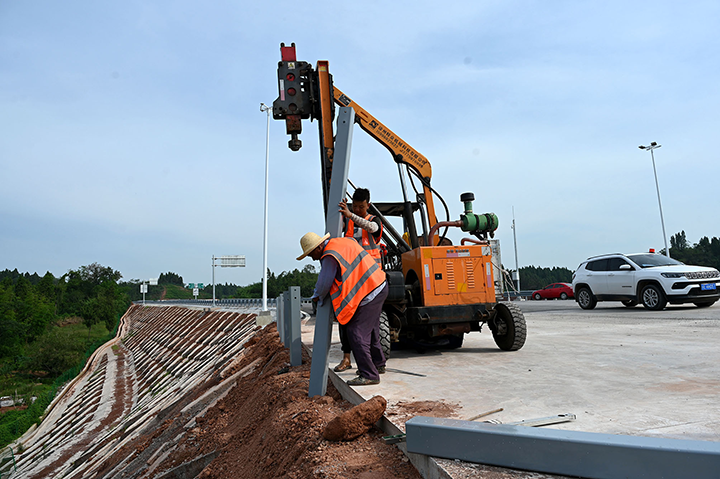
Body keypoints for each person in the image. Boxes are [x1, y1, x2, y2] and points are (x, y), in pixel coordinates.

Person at [298, 231, 388, 385]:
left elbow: (324, 284)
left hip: (368, 292)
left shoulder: (329, 255)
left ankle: (369, 374)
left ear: (319, 247)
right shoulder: (343, 242)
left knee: (356, 333)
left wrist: (316, 297)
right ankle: (378, 364)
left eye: (311, 253)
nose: (312, 258)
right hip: (379, 284)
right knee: (371, 330)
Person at [334, 187, 384, 372]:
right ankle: (347, 358)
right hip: (353, 280)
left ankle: (377, 363)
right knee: (344, 318)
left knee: (369, 324)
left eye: (361, 207)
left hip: (372, 281)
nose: (357, 210)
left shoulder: (373, 221)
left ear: (368, 205)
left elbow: (371, 228)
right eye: (355, 207)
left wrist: (350, 214)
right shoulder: (347, 222)